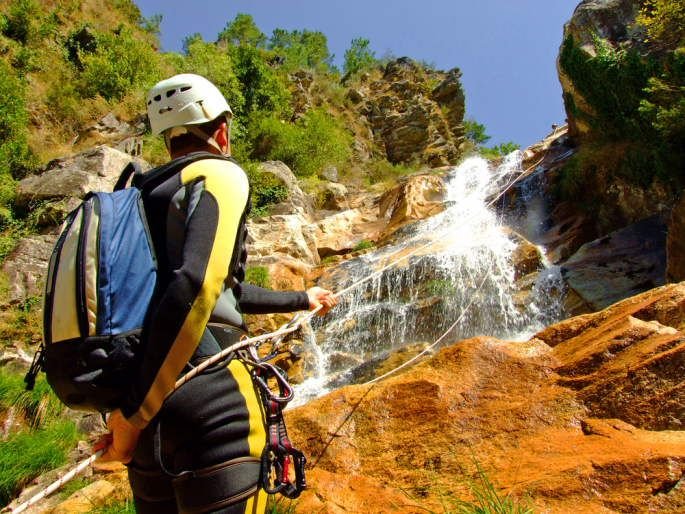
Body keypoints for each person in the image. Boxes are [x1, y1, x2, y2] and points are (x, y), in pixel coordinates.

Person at [97, 73, 337, 513]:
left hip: (150, 427)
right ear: (221, 130)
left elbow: (223, 290)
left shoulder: (142, 195)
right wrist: (134, 415)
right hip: (212, 403)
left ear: (168, 139)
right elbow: (196, 285)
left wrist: (303, 299)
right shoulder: (220, 173)